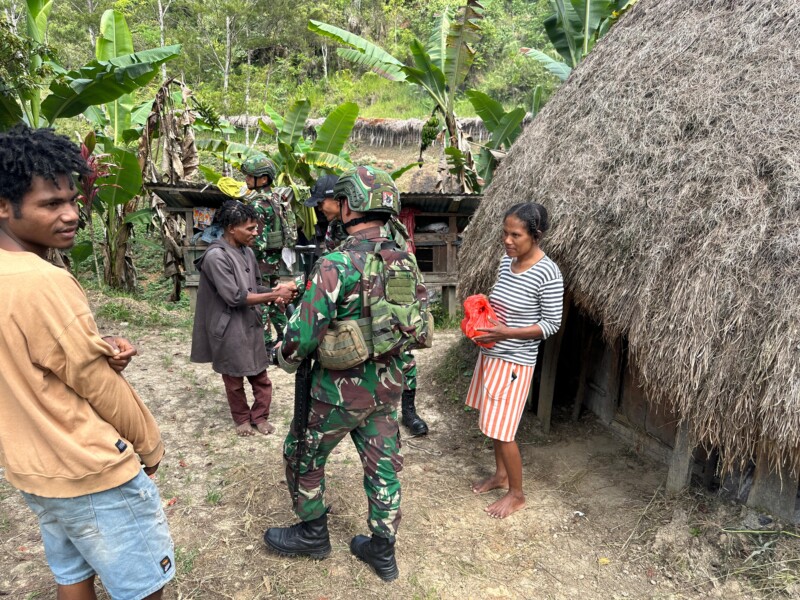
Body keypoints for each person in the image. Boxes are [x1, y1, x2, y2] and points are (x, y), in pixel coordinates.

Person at [0, 124, 174, 599]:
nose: (71, 214)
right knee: (142, 587)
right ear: (3, 206)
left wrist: (93, 342)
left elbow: (29, 361)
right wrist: (148, 443)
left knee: (72, 573)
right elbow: (93, 381)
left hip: (34, 470)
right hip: (90, 468)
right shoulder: (41, 282)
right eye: (50, 204)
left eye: (73, 200)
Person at [265, 166, 423, 582]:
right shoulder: (404, 260)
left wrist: (282, 357)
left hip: (337, 391)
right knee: (383, 464)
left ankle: (313, 533)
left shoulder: (336, 263)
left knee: (301, 451)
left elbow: (302, 335)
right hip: (388, 385)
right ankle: (383, 550)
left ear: (350, 204)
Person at [467, 202, 564, 519]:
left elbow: (550, 324)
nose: (507, 240)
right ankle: (501, 476)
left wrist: (506, 332)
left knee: (505, 430)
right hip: (492, 353)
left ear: (535, 235)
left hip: (515, 363)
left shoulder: (548, 273)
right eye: (505, 233)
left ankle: (517, 494)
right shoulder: (505, 263)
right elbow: (500, 304)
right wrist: (482, 319)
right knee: (494, 424)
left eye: (516, 235)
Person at [190, 200, 296, 436]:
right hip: (228, 326)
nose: (256, 232)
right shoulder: (216, 257)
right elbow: (235, 296)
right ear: (231, 228)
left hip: (251, 322)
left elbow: (253, 287)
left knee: (261, 376)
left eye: (255, 227)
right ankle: (241, 419)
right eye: (250, 229)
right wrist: (274, 294)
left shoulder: (247, 251)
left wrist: (273, 295)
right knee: (234, 380)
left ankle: (260, 416)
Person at [240, 155, 297, 351]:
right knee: (274, 297)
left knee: (261, 298)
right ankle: (286, 334)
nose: (247, 179)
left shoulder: (257, 204)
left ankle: (263, 342)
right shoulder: (277, 198)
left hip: (260, 259)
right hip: (274, 258)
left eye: (250, 176)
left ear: (263, 179)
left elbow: (257, 239)